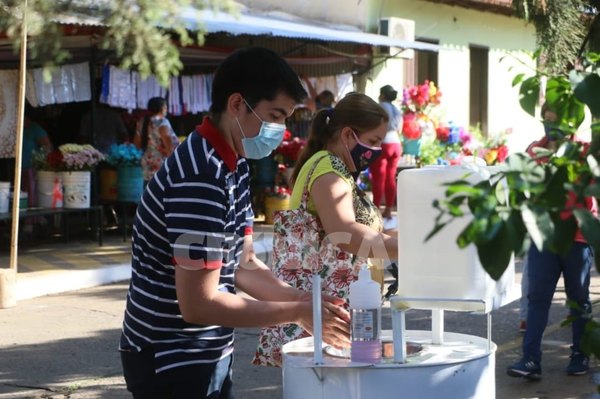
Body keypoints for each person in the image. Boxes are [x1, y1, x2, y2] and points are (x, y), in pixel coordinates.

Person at [119, 47, 351, 398]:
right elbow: (198, 304)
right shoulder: (200, 175)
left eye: (286, 118)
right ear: (237, 104)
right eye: (275, 115)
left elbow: (242, 263)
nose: (282, 130)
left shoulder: (234, 164)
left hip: (206, 350)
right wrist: (297, 311)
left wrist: (308, 300)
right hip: (169, 356)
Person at [253, 92, 399, 366]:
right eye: (372, 142)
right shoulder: (327, 168)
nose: (377, 151)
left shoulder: (336, 168)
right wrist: (406, 247)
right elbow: (344, 233)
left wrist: (399, 238)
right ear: (347, 135)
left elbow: (356, 230)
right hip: (325, 316)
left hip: (335, 311)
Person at [507, 104, 596, 380]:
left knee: (578, 299)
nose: (549, 126)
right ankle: (530, 359)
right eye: (546, 120)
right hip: (544, 236)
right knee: (538, 298)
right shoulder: (536, 151)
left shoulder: (586, 152)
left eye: (555, 121)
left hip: (577, 236)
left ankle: (580, 354)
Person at [370, 84, 403, 219]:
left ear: (382, 95)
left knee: (378, 177)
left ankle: (376, 209)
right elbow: (400, 129)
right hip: (396, 143)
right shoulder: (397, 110)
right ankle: (389, 209)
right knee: (390, 177)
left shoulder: (380, 107)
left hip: (383, 143)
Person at [134, 97, 179, 183]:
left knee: (150, 191)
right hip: (161, 162)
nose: (166, 109)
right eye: (166, 107)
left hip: (147, 161)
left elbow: (137, 145)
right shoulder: (162, 122)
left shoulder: (142, 121)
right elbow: (169, 145)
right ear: (162, 108)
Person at [22, 109, 52, 208]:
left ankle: (31, 219)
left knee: (31, 192)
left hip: (32, 169)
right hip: (20, 168)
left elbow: (47, 147)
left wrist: (40, 162)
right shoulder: (19, 129)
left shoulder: (35, 129)